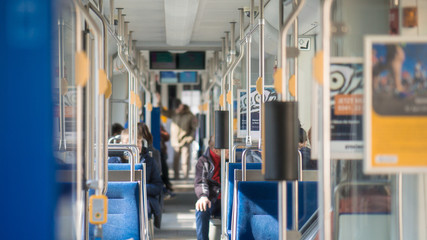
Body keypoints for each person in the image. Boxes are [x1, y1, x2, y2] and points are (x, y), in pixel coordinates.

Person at [121, 128, 164, 228]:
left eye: (140, 141)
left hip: (144, 198)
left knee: (141, 208)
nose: (139, 145)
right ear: (125, 143)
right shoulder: (115, 160)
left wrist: (141, 188)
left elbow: (158, 186)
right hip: (121, 197)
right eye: (135, 142)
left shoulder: (149, 161)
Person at [194, 136, 228, 240]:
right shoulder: (203, 161)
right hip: (212, 198)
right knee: (201, 208)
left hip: (228, 198)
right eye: (227, 148)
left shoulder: (232, 159)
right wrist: (203, 196)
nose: (229, 150)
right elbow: (201, 181)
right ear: (216, 150)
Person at [158, 95, 198, 179]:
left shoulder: (190, 115)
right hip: (175, 141)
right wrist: (159, 101)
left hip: (185, 141)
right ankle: (176, 177)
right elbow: (163, 112)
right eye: (175, 109)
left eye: (178, 108)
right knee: (175, 161)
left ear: (182, 106)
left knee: (185, 161)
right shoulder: (174, 113)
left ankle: (186, 177)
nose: (176, 110)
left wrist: (189, 138)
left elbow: (194, 128)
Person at [160, 124, 173, 192]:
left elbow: (167, 137)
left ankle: (167, 184)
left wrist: (161, 133)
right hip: (161, 151)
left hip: (162, 151)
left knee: (164, 168)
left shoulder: (160, 127)